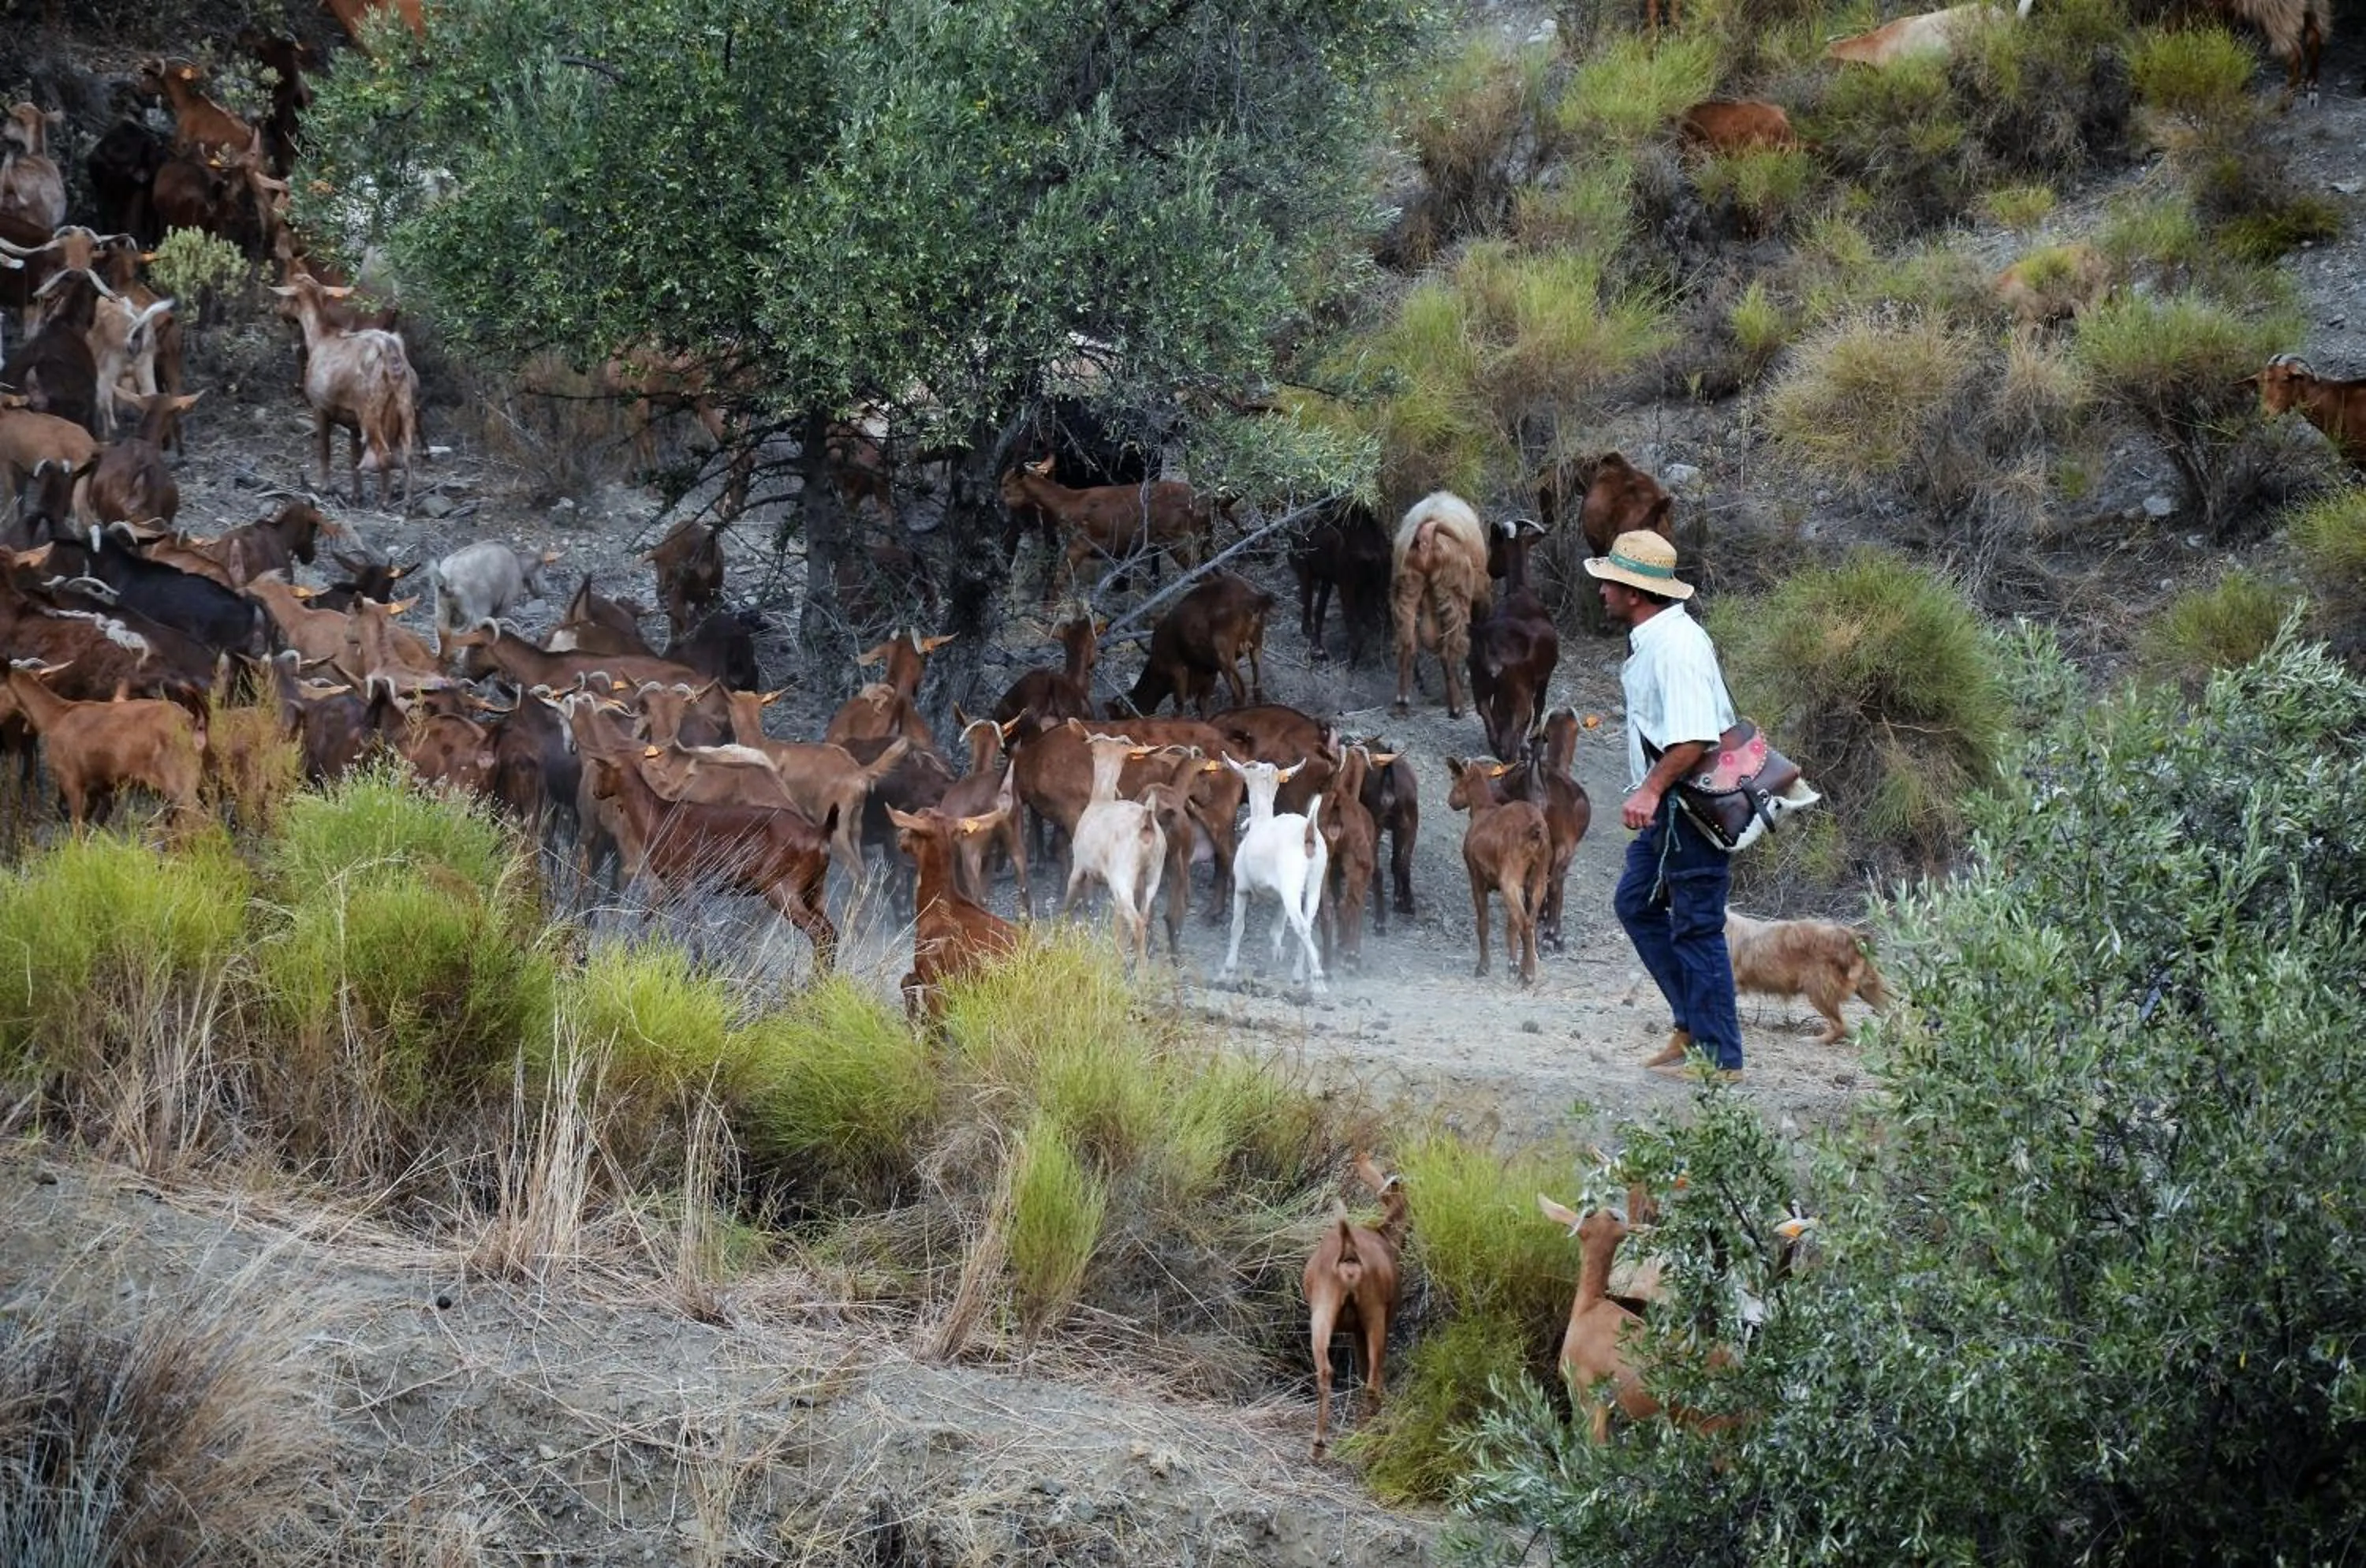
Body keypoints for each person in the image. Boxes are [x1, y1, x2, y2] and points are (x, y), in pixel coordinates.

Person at [1584, 529, 1744, 1082]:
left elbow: (1696, 738)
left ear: (1634, 592)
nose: (1602, 589)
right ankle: (1693, 1027)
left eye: (1611, 581)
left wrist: (1651, 788)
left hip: (1690, 810)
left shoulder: (1676, 648)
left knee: (1696, 926)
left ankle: (1721, 1058)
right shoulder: (1658, 638)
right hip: (1673, 811)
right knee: (1636, 904)